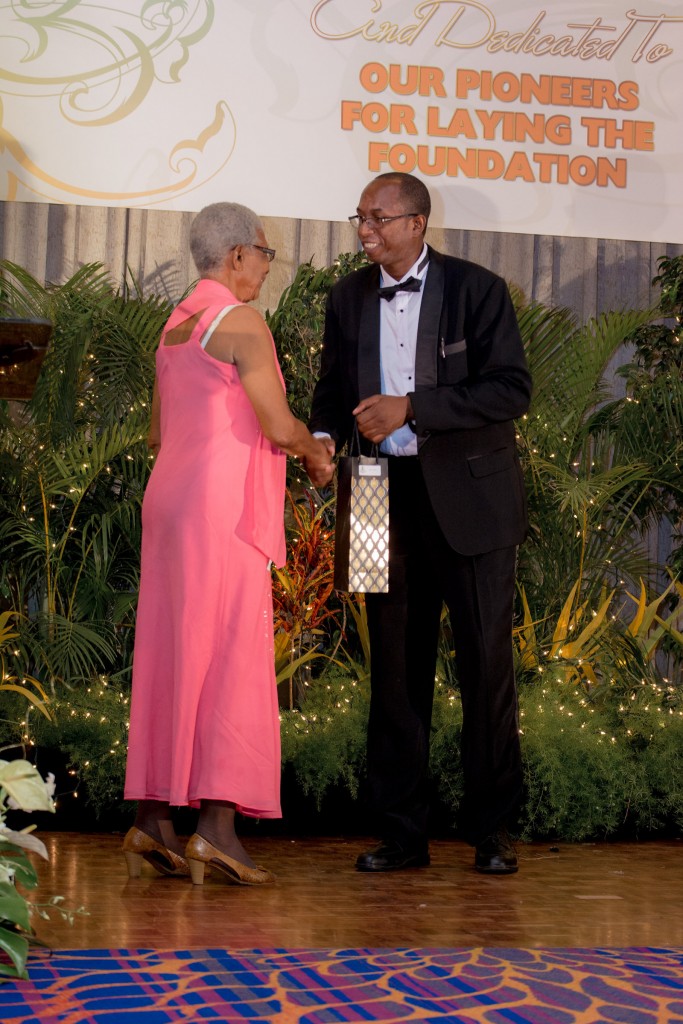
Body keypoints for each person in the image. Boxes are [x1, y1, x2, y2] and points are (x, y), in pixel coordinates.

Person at [307, 172, 532, 874]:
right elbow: (331, 389)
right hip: (376, 496)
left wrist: (412, 407)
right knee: (395, 673)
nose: (365, 229)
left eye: (378, 217)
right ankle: (402, 833)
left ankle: (492, 831)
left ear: (416, 222)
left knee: (485, 667)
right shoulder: (346, 296)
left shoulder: (477, 289)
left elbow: (511, 389)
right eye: (360, 217)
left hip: (470, 500)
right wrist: (321, 439)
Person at [123, 202, 334, 885]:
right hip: (219, 509)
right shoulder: (241, 322)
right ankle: (215, 830)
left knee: (172, 651)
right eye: (265, 253)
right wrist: (316, 454)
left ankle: (152, 818)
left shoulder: (175, 326)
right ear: (237, 254)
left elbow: (158, 434)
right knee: (229, 653)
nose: (268, 266)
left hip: (169, 500)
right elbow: (276, 424)